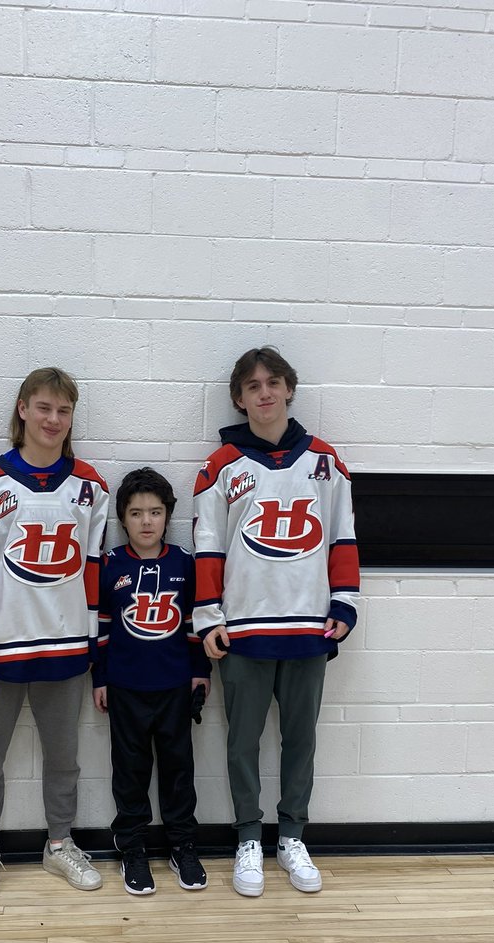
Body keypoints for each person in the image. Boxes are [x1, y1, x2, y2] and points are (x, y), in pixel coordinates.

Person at [0, 367, 109, 901]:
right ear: (22, 410)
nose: (53, 419)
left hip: (63, 647)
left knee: (65, 759)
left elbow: (94, 572)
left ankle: (59, 844)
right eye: (43, 408)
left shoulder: (91, 487)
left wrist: (94, 642)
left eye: (63, 410)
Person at [192, 347, 359, 898]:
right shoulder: (220, 467)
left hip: (309, 628)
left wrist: (344, 604)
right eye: (253, 385)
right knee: (241, 742)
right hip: (243, 630)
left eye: (274, 382)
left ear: (289, 389)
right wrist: (209, 616)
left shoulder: (326, 462)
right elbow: (208, 547)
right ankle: (246, 837)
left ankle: (291, 836)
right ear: (239, 399)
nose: (264, 393)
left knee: (300, 740)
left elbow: (341, 537)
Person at [92, 467, 210, 896]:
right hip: (125, 687)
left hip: (176, 685)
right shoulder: (109, 566)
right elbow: (102, 627)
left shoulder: (185, 563)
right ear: (122, 517)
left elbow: (196, 624)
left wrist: (201, 671)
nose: (146, 521)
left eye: (155, 512)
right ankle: (133, 848)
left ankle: (183, 844)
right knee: (130, 771)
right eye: (137, 512)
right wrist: (100, 678)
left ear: (168, 516)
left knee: (179, 770)